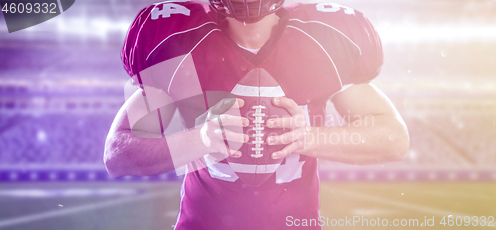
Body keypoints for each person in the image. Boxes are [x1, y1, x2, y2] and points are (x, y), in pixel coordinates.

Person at [104, 0, 410, 228]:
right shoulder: (179, 41)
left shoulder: (324, 40)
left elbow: (394, 139)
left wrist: (308, 137)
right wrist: (201, 139)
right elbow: (117, 153)